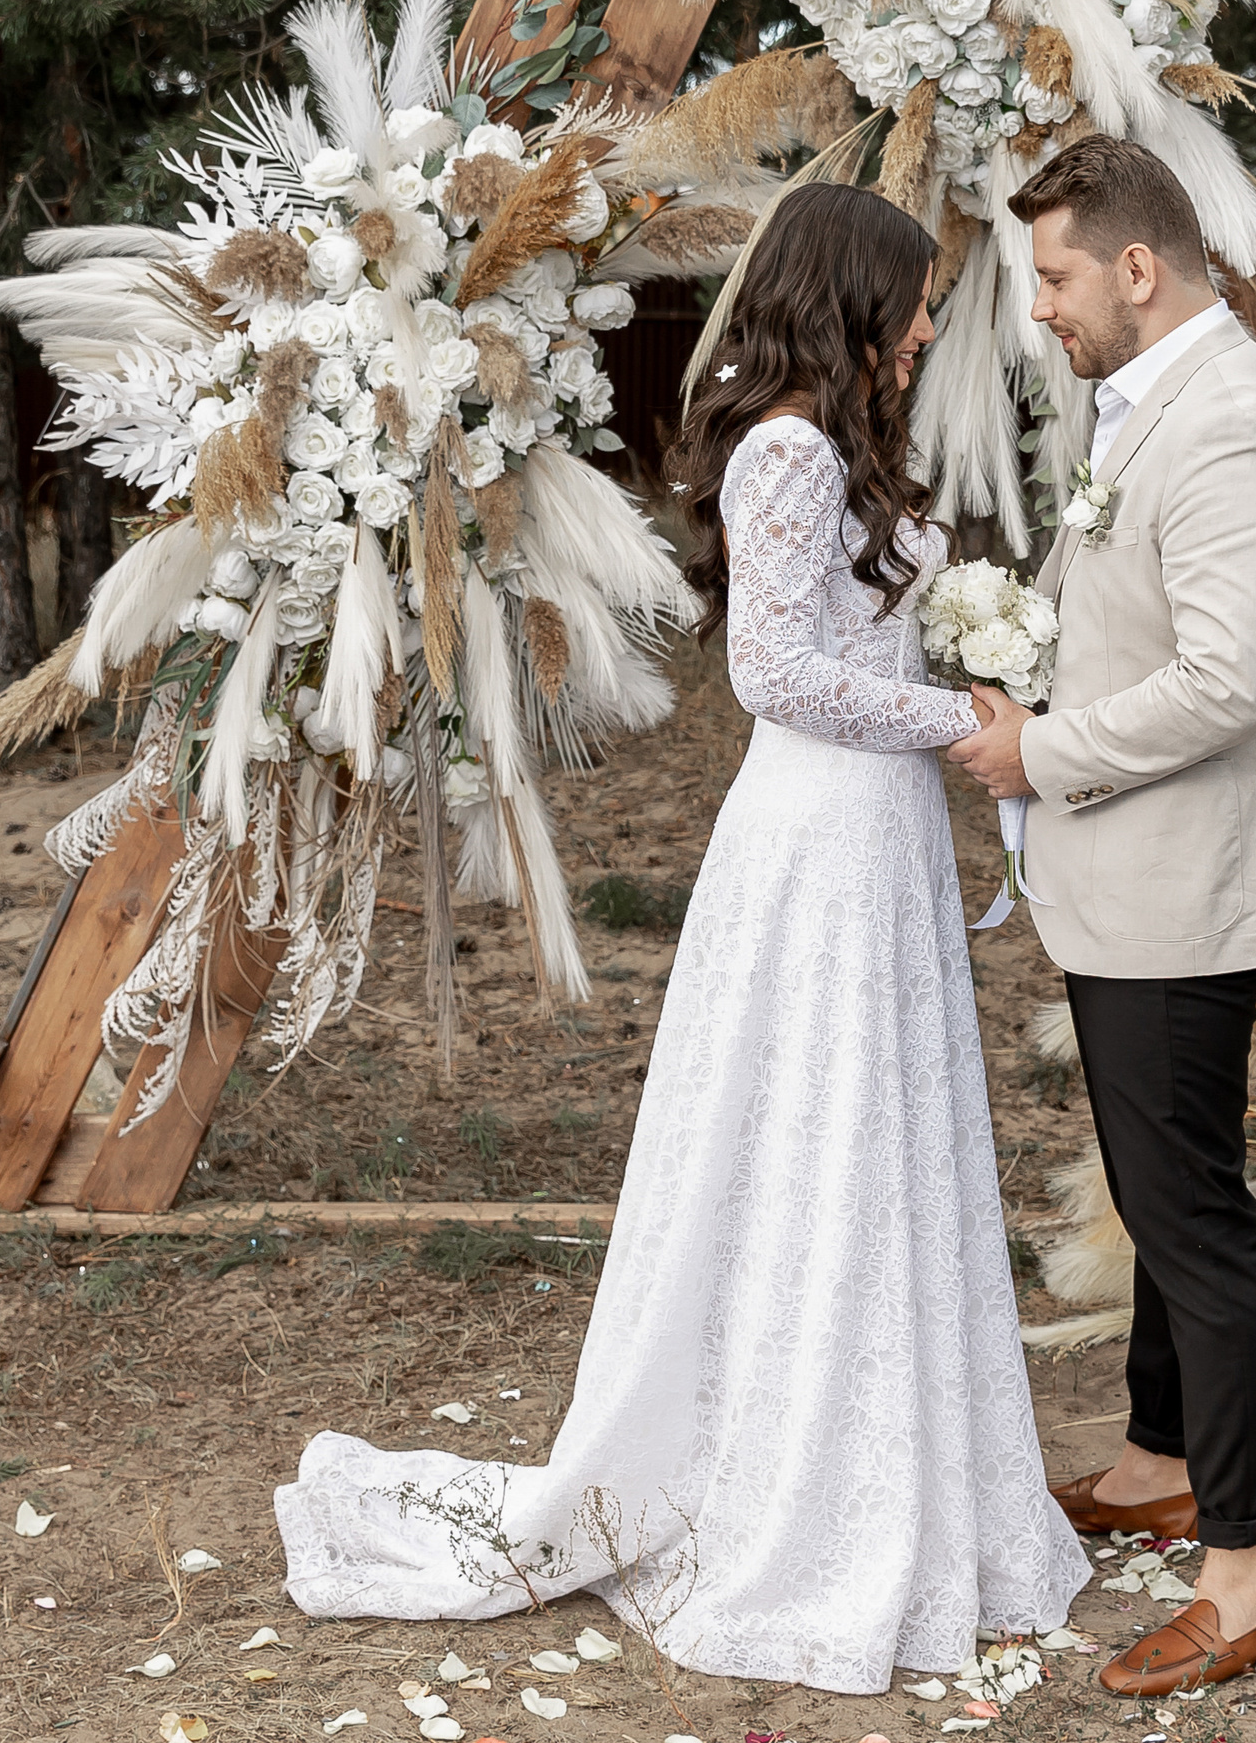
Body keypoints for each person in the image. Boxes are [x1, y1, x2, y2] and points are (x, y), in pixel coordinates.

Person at [276, 182, 1086, 1692]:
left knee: (878, 1144)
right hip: (819, 837)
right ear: (850, 296)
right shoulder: (783, 450)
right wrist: (962, 713)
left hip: (881, 834)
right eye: (910, 301)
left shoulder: (842, 450)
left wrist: (969, 659)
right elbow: (775, 673)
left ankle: (890, 1447)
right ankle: (788, 1478)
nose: (924, 327)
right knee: (814, 1144)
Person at [948, 131, 1256, 1702]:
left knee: (1194, 1212)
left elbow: (1232, 679)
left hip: (1188, 884)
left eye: (1055, 277)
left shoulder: (1236, 424)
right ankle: (1156, 1462)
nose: (1042, 309)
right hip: (1140, 874)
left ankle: (1250, 1572)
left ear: (1138, 267)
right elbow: (1148, 628)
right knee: (1154, 1184)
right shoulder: (1156, 405)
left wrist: (1036, 751)